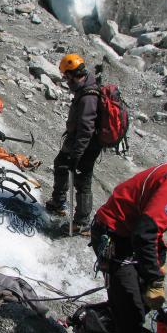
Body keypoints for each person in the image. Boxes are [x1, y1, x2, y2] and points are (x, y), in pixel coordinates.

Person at [90, 162, 167, 333]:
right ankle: (97, 325)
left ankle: (109, 320)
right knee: (132, 318)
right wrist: (155, 279)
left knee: (141, 301)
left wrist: (159, 261)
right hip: (113, 235)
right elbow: (145, 233)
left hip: (128, 234)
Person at [45, 54, 103, 233]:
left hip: (86, 146)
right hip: (77, 142)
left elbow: (86, 129)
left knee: (82, 181)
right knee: (61, 165)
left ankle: (82, 222)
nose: (65, 80)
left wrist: (77, 155)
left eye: (66, 76)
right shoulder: (84, 89)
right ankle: (58, 202)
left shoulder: (88, 96)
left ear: (71, 74)